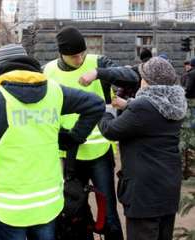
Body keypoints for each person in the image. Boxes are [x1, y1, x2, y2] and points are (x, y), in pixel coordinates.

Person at [0, 44, 106, 240]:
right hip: (48, 202)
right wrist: (73, 138)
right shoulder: (55, 91)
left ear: (1, 68)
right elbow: (96, 104)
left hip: (11, 206)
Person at [44, 26, 139, 240]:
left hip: (99, 152)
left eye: (82, 53)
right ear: (61, 53)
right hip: (68, 154)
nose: (79, 59)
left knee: (109, 211)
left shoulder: (98, 61)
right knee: (75, 210)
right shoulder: (48, 71)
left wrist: (99, 73)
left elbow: (132, 76)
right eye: (73, 55)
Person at [98, 57, 187, 240]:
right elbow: (154, 112)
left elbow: (110, 130)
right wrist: (129, 104)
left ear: (148, 81)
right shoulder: (176, 104)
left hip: (144, 191)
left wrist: (106, 108)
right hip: (168, 185)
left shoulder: (142, 107)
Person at [180, 57, 195, 179]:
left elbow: (188, 90)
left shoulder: (190, 75)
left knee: (186, 136)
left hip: (190, 106)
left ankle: (186, 170)